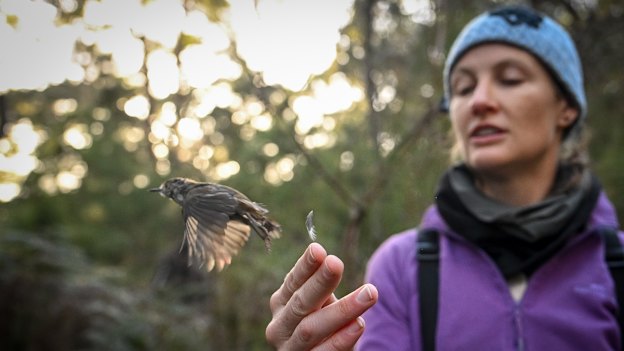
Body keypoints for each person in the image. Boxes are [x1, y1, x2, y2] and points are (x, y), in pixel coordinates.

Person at [265, 5, 623, 350]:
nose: (479, 101)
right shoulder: (402, 267)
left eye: (510, 79)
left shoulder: (615, 262)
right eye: (463, 88)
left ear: (567, 107)